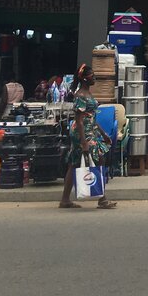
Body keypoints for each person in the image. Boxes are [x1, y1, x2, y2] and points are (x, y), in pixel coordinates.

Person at [59, 63, 117, 209]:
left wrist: (103, 134)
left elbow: (91, 117)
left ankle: (65, 200)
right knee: (98, 159)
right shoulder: (80, 95)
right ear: (84, 79)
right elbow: (79, 120)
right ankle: (102, 199)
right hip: (82, 133)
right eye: (92, 76)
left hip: (89, 131)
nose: (94, 78)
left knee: (74, 163)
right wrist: (84, 142)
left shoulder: (88, 94)